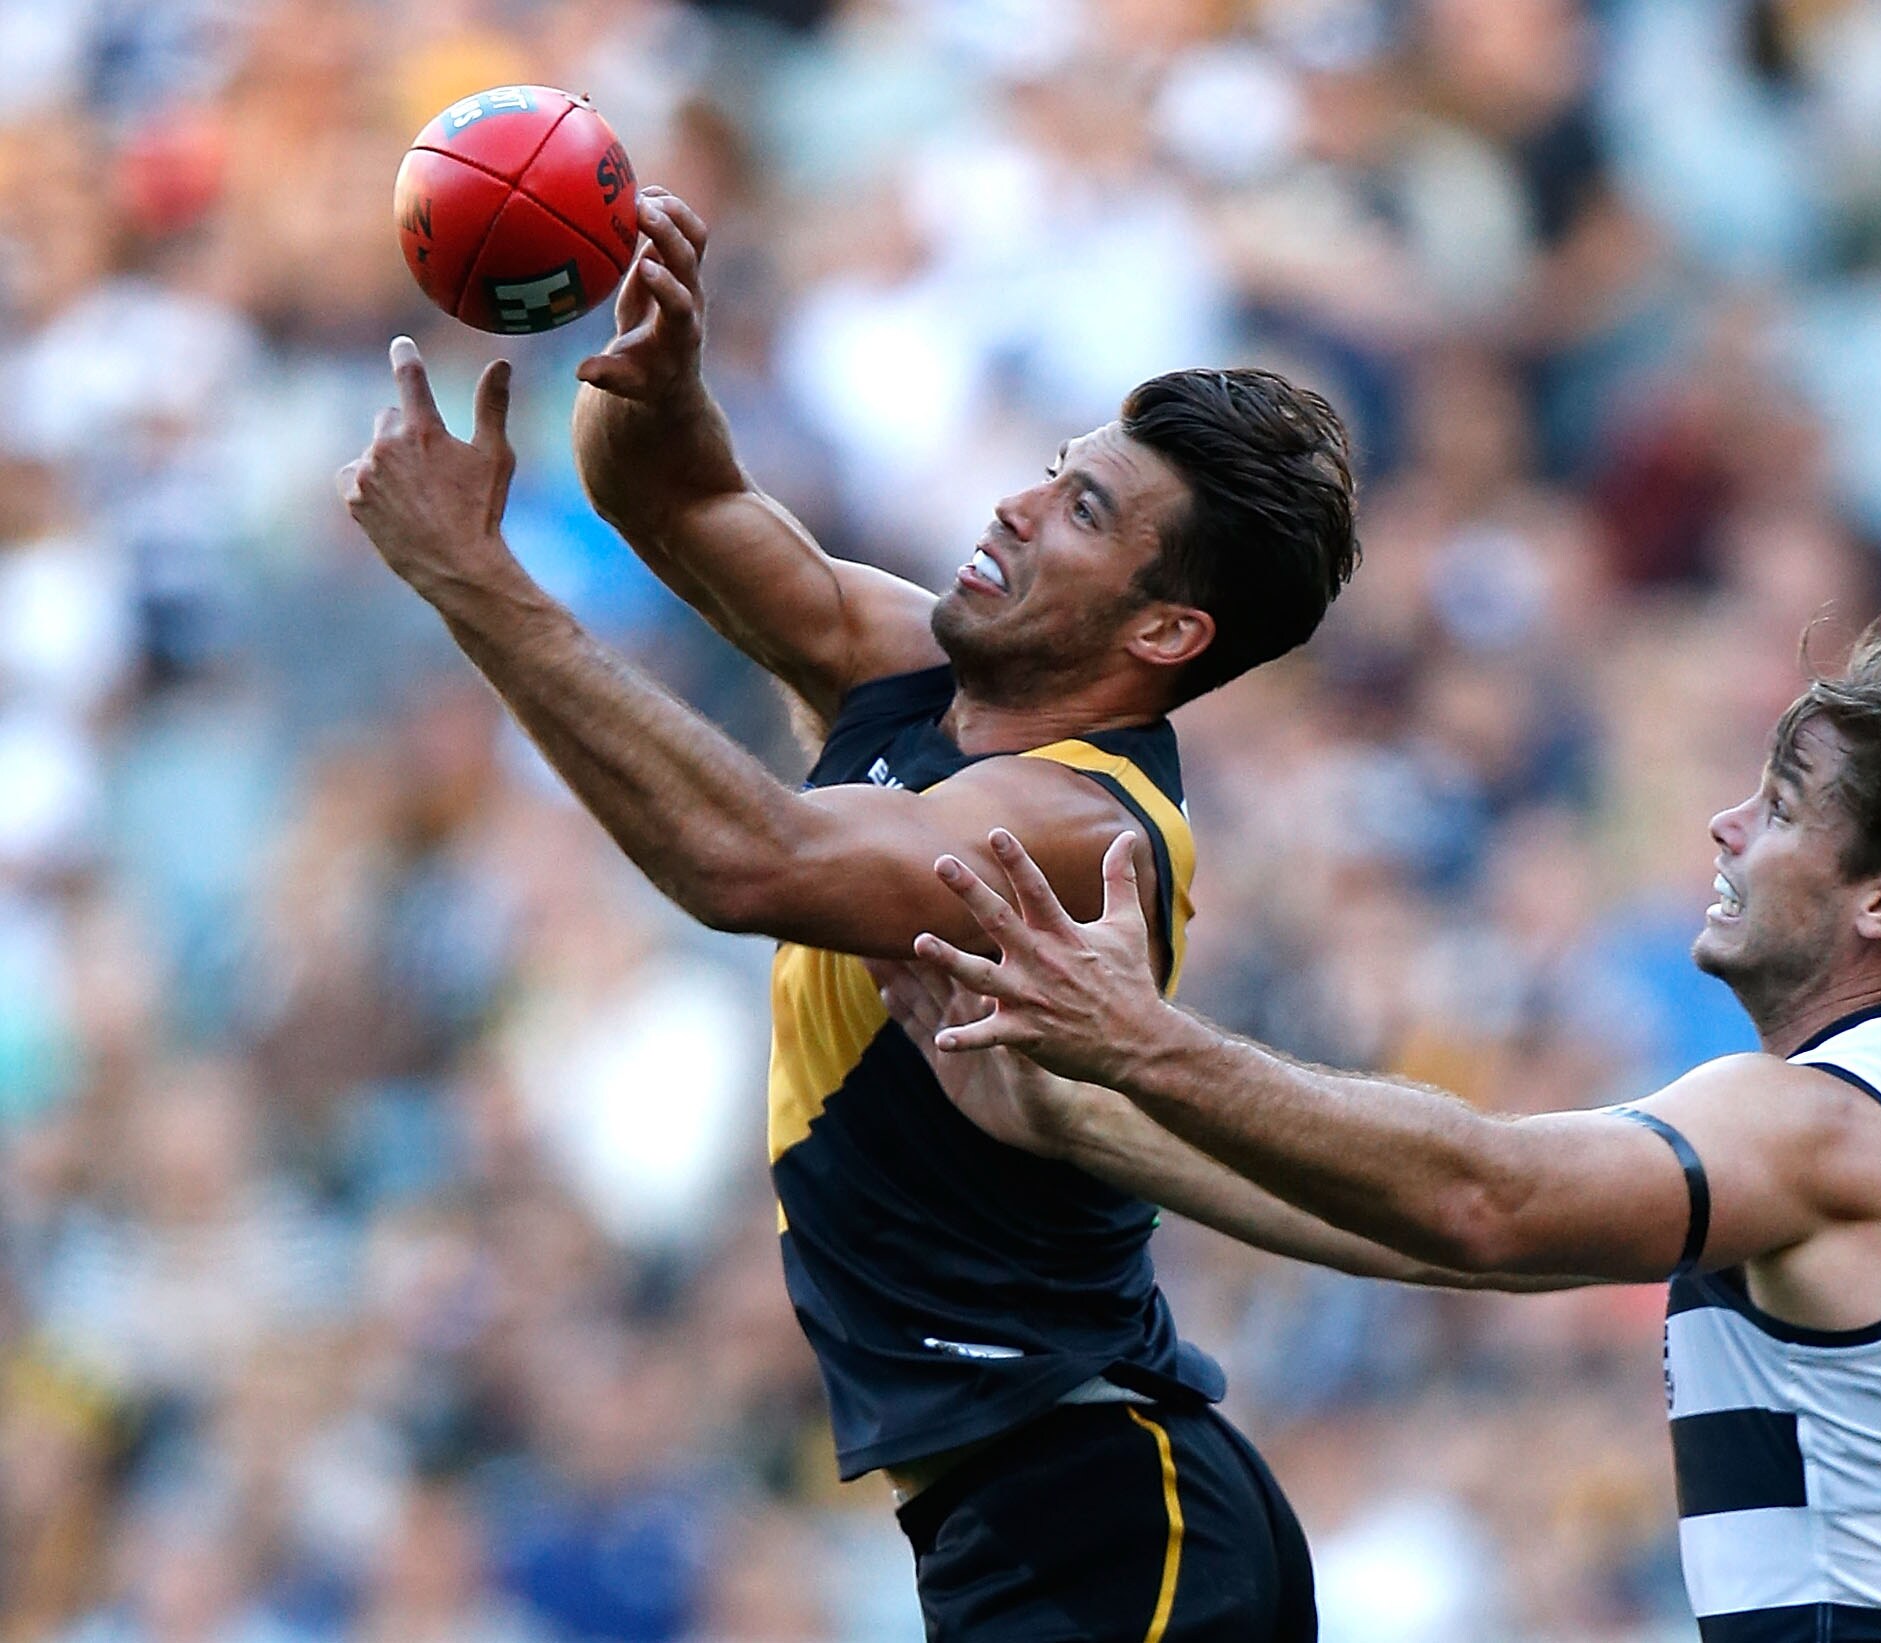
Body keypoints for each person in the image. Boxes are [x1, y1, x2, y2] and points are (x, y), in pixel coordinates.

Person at [336, 185, 1367, 1640]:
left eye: (1082, 509)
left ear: (1165, 631)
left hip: (1112, 1510)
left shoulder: (1079, 827)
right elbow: (673, 500)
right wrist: (660, 378)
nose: (1016, 502)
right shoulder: (927, 673)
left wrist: (473, 577)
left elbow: (740, 858)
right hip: (1028, 1510)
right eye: (1055, 469)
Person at [890, 637, 1881, 1641]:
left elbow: (1481, 1198)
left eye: (1779, 807)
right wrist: (1083, 1120)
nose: (1724, 825)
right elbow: (1438, 1237)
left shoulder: (1820, 1120)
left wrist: (1136, 1038)